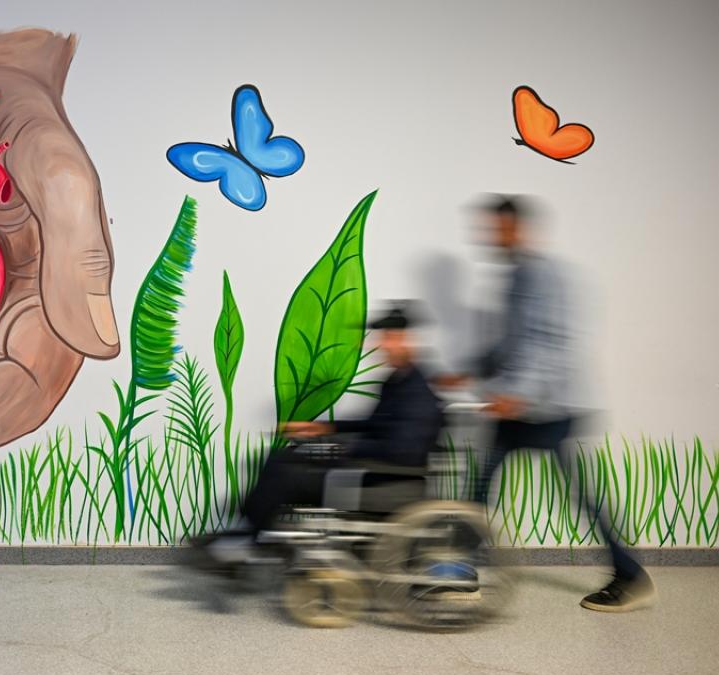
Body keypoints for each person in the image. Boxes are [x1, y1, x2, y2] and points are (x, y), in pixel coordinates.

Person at [446, 195, 654, 612]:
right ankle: (463, 569)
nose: (492, 236)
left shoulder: (545, 276)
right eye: (490, 228)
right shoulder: (517, 276)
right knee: (481, 483)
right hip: (527, 407)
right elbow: (513, 343)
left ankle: (630, 576)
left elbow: (555, 343)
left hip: (552, 408)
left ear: (519, 229)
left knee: (578, 495)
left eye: (500, 228)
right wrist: (470, 371)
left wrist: (519, 394)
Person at [200, 303, 444, 563]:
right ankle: (248, 531)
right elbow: (374, 425)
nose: (380, 345)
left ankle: (250, 539)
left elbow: (404, 452)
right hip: (369, 465)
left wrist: (345, 448)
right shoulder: (396, 382)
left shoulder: (418, 394)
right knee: (281, 456)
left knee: (288, 475)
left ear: (406, 340)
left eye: (388, 338)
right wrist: (326, 428)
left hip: (383, 478)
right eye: (381, 337)